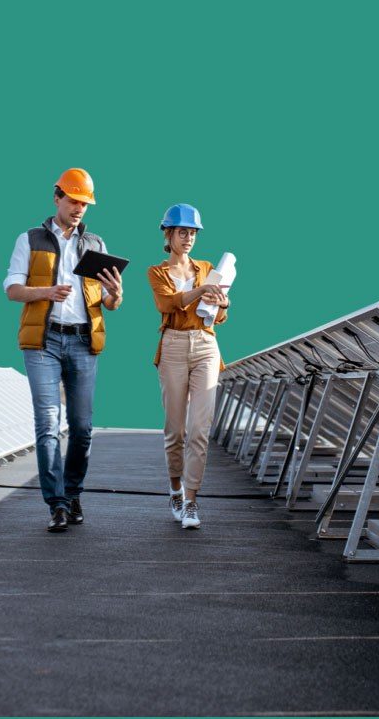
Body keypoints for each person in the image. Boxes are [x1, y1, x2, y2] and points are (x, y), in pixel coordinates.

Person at [3, 168, 124, 533]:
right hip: (44, 341)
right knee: (48, 425)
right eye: (73, 201)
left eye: (84, 203)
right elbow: (11, 289)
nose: (79, 209)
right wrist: (46, 292)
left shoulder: (96, 245)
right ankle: (55, 503)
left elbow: (108, 301)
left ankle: (72, 495)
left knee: (83, 428)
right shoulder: (30, 239)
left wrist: (116, 294)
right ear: (57, 198)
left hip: (84, 341)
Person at [146, 204, 231, 530]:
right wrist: (201, 290)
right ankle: (175, 489)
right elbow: (167, 304)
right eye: (183, 232)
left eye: (193, 232)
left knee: (200, 429)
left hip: (206, 346)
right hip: (173, 347)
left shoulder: (208, 268)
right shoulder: (157, 272)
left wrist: (222, 304)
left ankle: (192, 501)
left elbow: (219, 317)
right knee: (176, 430)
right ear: (168, 234)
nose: (188, 238)